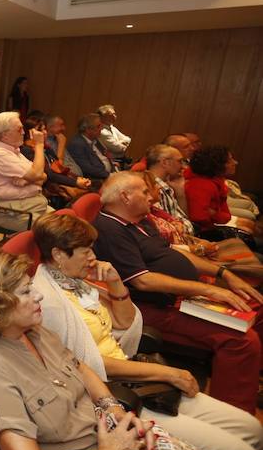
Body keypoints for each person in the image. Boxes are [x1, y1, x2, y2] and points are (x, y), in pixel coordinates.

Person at [0, 247, 230, 450]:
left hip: (108, 441)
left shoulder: (29, 329)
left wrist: (113, 409)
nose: (37, 294)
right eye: (26, 292)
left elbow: (77, 366)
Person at [32, 213, 263, 450]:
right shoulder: (47, 301)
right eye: (85, 251)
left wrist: (116, 284)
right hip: (118, 395)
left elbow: (126, 325)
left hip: (136, 373)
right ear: (57, 254)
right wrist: (168, 373)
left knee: (253, 428)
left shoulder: (76, 281)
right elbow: (88, 368)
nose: (93, 256)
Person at [93, 172, 263, 413]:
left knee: (255, 303)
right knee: (242, 340)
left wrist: (223, 274)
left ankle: (249, 379)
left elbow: (174, 252)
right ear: (125, 196)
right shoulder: (110, 229)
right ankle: (235, 412)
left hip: (179, 298)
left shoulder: (140, 219)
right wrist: (207, 289)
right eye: (144, 191)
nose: (152, 196)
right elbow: (144, 281)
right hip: (152, 308)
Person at [0, 111, 51, 232]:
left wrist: (28, 180)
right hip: (10, 212)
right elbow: (38, 174)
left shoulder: (15, 152)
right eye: (19, 129)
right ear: (5, 135)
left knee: (67, 222)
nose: (24, 133)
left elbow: (44, 176)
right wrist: (39, 144)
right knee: (54, 230)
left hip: (31, 205)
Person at [186, 146, 256, 236]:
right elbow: (199, 217)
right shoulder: (202, 185)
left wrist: (216, 214)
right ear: (217, 165)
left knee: (250, 227)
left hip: (213, 223)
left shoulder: (216, 181)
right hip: (202, 231)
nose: (235, 163)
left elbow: (223, 212)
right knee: (247, 232)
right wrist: (218, 216)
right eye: (230, 160)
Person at [67, 113, 114, 184]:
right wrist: (110, 176)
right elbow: (87, 169)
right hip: (95, 180)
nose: (102, 128)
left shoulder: (96, 140)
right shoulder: (77, 144)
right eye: (98, 126)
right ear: (88, 130)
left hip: (108, 175)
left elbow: (105, 157)